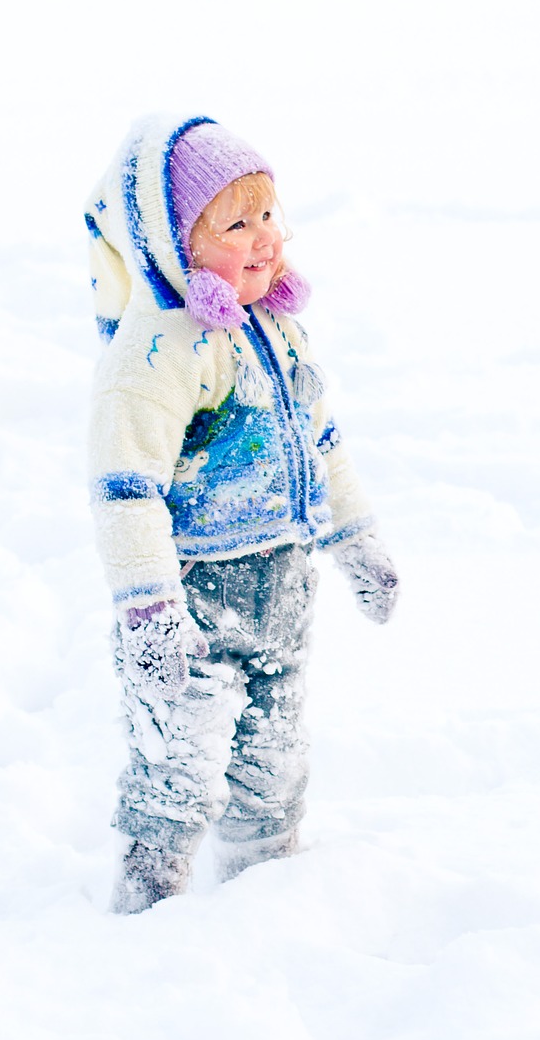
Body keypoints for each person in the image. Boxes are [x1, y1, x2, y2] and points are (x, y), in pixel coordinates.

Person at [81, 114, 399, 912]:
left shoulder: (278, 331)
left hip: (282, 591)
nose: (263, 238)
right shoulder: (156, 353)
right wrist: (148, 607)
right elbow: (128, 489)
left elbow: (321, 443)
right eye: (235, 222)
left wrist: (357, 540)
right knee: (179, 767)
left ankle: (263, 903)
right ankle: (145, 904)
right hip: (194, 601)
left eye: (269, 216)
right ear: (174, 244)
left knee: (276, 763)